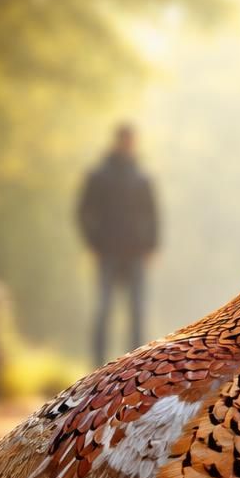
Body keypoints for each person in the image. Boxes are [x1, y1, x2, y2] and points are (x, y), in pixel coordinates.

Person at [77, 123, 158, 365]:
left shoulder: (142, 177)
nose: (128, 145)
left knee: (137, 313)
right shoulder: (99, 175)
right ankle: (97, 366)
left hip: (135, 253)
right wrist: (93, 243)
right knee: (103, 311)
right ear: (118, 141)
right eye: (125, 140)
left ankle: (135, 367)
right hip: (107, 253)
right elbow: (83, 211)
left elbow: (153, 214)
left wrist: (151, 247)